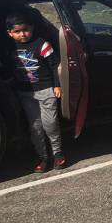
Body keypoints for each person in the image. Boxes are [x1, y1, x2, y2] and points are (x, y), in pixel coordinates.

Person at [5, 10, 65, 172]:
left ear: (31, 28)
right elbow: (8, 68)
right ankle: (43, 157)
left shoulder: (42, 44)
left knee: (50, 123)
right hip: (26, 94)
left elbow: (54, 65)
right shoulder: (9, 48)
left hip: (46, 90)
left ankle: (58, 154)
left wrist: (57, 85)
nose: (22, 34)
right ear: (10, 33)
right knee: (35, 127)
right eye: (17, 32)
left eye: (26, 30)